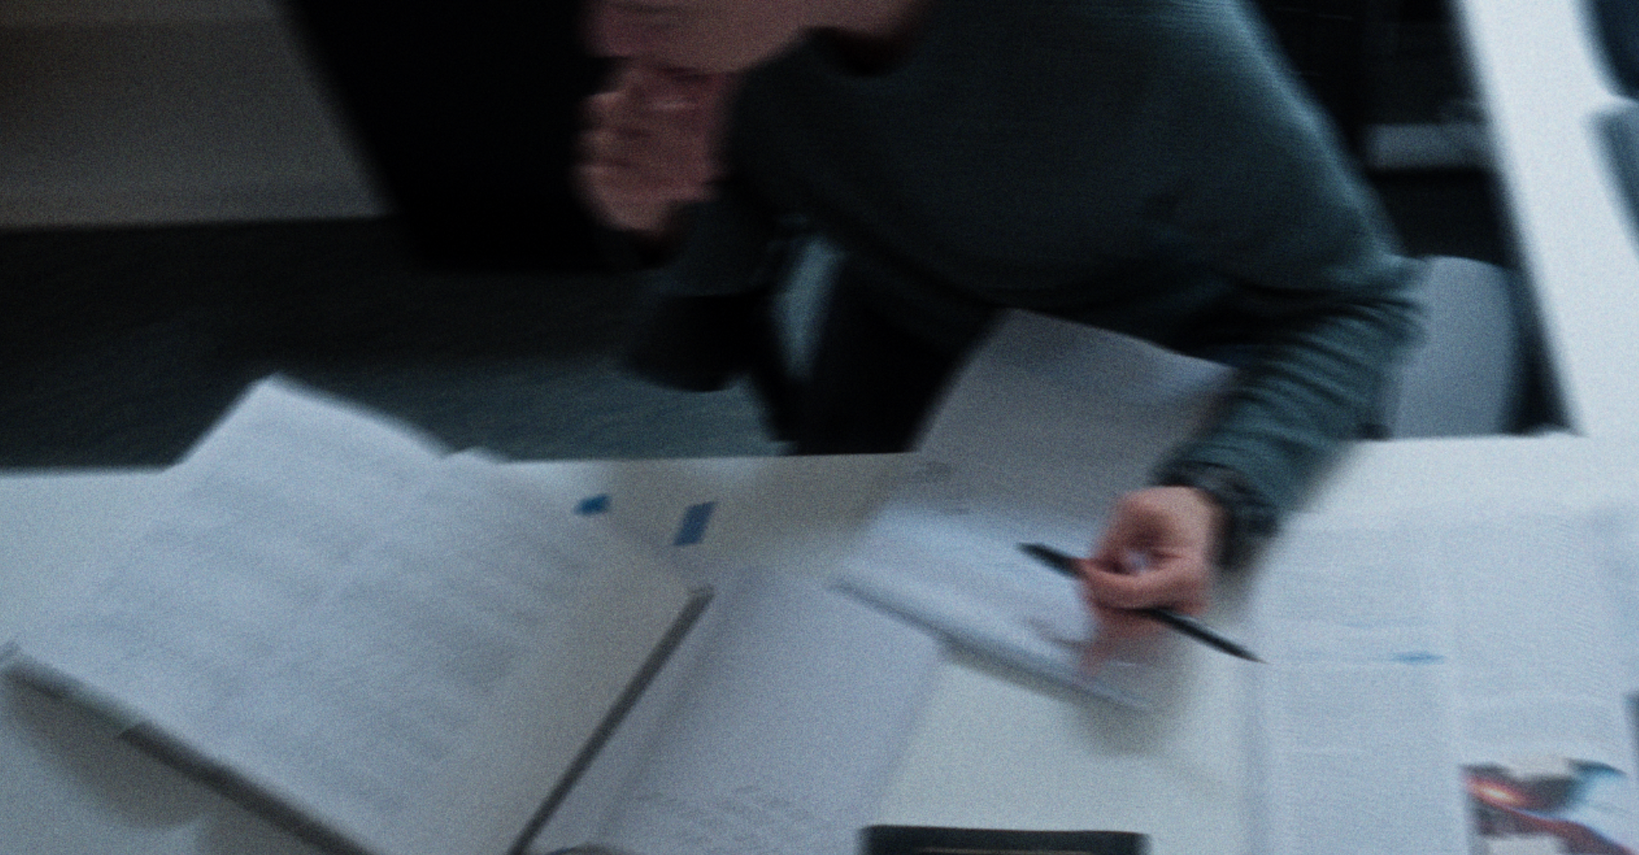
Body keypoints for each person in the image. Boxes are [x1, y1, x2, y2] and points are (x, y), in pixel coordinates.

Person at [576, 0, 1419, 643]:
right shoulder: (739, 47)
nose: (606, 34)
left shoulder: (1142, 36)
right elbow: (739, 242)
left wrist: (1216, 492)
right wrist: (659, 212)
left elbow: (1357, 301)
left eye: (649, 2)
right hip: (911, 352)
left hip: (1153, 387)